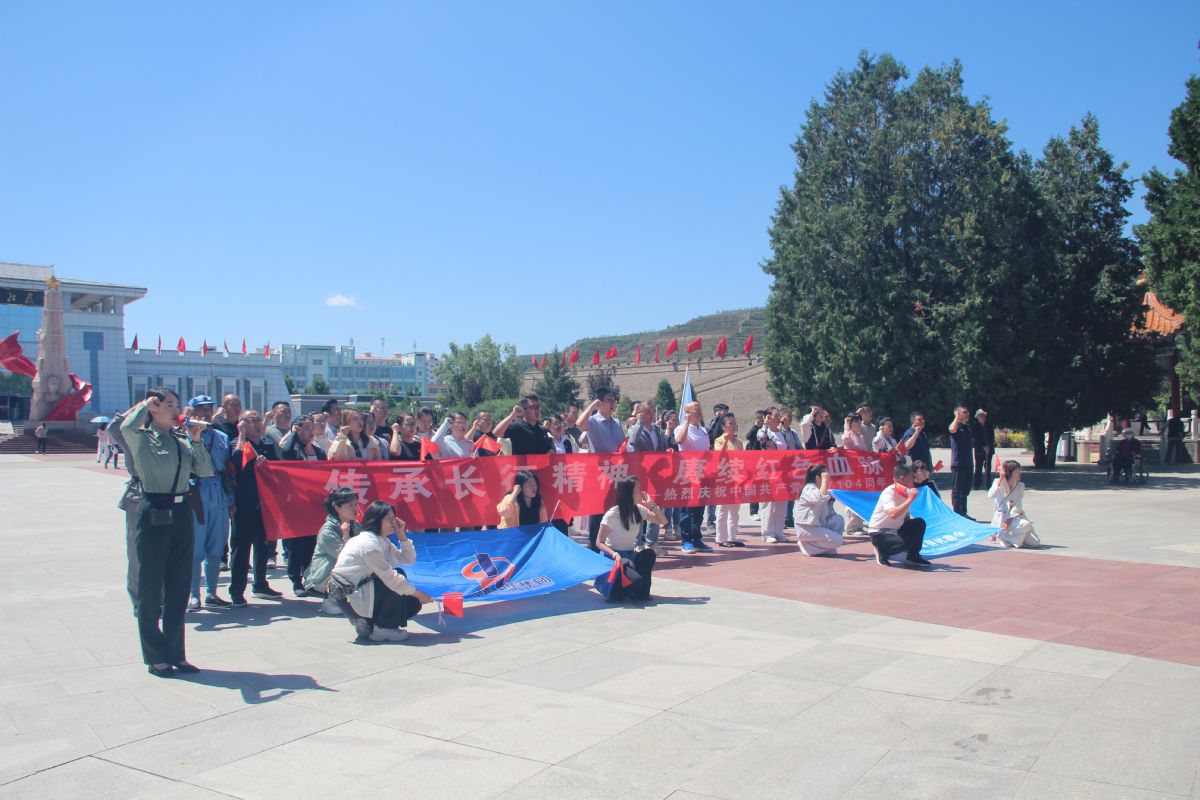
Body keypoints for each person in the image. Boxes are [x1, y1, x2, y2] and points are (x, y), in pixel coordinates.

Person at [120, 387, 214, 677]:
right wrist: (143, 405)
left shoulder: (181, 438)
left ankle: (176, 653)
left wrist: (195, 439)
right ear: (155, 407)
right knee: (151, 586)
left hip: (182, 510)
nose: (176, 410)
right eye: (169, 404)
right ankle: (155, 656)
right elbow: (125, 427)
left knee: (178, 585)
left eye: (177, 404)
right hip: (154, 509)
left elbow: (205, 470)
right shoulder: (143, 436)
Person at [328, 501, 432, 642]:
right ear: (375, 520)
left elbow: (407, 559)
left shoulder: (381, 541)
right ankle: (383, 629)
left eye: (394, 518)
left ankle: (370, 624)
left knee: (412, 603)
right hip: (349, 596)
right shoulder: (369, 544)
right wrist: (419, 594)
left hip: (361, 590)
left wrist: (401, 535)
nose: (394, 523)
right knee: (397, 579)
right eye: (389, 519)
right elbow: (391, 578)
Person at [185, 396, 234, 611]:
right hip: (197, 493)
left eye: (208, 409)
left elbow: (228, 469)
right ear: (191, 411)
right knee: (196, 549)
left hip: (219, 494)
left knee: (216, 547)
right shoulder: (184, 435)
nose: (205, 412)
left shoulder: (221, 436)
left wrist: (231, 500)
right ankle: (194, 595)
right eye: (200, 409)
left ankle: (212, 593)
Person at [229, 410, 282, 605]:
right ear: (242, 424)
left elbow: (280, 465)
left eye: (259, 419)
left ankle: (260, 584)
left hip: (265, 504)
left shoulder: (266, 444)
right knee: (242, 548)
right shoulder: (238, 442)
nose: (258, 424)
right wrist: (242, 434)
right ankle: (236, 590)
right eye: (252, 421)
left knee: (263, 546)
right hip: (244, 504)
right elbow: (236, 460)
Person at [594, 476, 664, 602]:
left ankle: (641, 594)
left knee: (649, 554)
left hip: (629, 555)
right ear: (629, 492)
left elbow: (663, 521)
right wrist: (614, 554)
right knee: (636, 581)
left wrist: (651, 504)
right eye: (638, 488)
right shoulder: (613, 514)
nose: (641, 491)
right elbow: (599, 542)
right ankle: (617, 592)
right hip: (614, 558)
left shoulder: (639, 510)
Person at [278, 415, 328, 593]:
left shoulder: (319, 452)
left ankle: (310, 579)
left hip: (315, 504)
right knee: (297, 544)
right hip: (297, 504)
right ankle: (295, 580)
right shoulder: (293, 450)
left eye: (311, 428)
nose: (310, 432)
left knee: (312, 544)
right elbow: (284, 453)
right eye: (306, 428)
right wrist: (293, 434)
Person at [576, 389, 627, 549]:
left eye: (614, 401)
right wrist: (592, 406)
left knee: (614, 510)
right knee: (598, 510)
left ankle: (610, 545)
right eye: (608, 400)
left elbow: (621, 445)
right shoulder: (593, 421)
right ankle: (594, 545)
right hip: (599, 473)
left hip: (616, 472)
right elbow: (579, 424)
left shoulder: (617, 423)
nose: (612, 404)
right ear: (600, 402)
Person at [107, 407, 144, 614]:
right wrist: (140, 406)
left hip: (165, 495)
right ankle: (139, 600)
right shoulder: (132, 435)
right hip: (138, 494)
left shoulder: (168, 434)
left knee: (163, 552)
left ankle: (161, 598)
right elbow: (114, 428)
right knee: (137, 552)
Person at [303, 488, 359, 614]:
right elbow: (345, 556)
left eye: (356, 505)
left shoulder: (355, 525)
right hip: (323, 575)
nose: (355, 509)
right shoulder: (327, 531)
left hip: (339, 573)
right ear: (337, 507)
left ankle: (347, 599)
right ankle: (331, 602)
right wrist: (345, 534)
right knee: (348, 566)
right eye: (350, 505)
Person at [867, 463, 932, 568]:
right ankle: (882, 550)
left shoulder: (906, 492)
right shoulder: (889, 492)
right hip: (879, 533)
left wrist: (914, 531)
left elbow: (906, 517)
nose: (913, 482)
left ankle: (913, 556)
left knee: (919, 523)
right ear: (902, 479)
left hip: (895, 530)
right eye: (911, 479)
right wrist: (910, 499)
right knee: (907, 542)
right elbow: (892, 514)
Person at [625, 400, 668, 552]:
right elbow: (632, 440)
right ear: (641, 413)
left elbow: (663, 448)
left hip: (656, 476)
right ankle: (637, 543)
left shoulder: (658, 430)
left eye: (653, 412)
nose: (651, 415)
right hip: (640, 475)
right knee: (639, 508)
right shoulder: (635, 428)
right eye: (648, 412)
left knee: (654, 507)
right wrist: (639, 422)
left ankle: (652, 542)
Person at [674, 401, 714, 553]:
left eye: (699, 408)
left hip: (702, 473)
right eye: (695, 409)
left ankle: (697, 539)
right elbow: (680, 440)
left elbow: (707, 450)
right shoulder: (681, 428)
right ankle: (686, 540)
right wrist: (686, 422)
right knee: (687, 509)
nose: (699, 411)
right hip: (688, 474)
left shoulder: (703, 430)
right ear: (688, 412)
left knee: (699, 509)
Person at [756, 408, 791, 544]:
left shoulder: (781, 433)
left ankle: (778, 531)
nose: (779, 418)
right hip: (768, 471)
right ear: (769, 417)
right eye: (776, 416)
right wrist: (765, 425)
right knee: (769, 503)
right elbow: (762, 440)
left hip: (782, 471)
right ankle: (767, 533)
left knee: (781, 502)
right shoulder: (763, 431)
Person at [988, 460, 1041, 548]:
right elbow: (991, 495)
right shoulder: (998, 482)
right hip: (1002, 516)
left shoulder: (1020, 485)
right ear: (1009, 473)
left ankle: (1007, 537)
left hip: (1015, 516)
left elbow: (1018, 504)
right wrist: (1000, 479)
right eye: (1016, 472)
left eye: (1020, 471)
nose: (1019, 473)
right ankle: (1007, 537)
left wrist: (1010, 518)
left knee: (1034, 542)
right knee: (1026, 524)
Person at [794, 465, 844, 556]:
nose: (829, 478)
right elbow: (820, 497)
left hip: (819, 525)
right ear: (818, 478)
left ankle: (818, 547)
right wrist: (825, 481)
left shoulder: (823, 490)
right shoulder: (809, 488)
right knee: (838, 540)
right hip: (806, 528)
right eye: (826, 476)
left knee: (839, 520)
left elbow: (829, 512)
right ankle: (808, 548)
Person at [712, 413, 745, 547]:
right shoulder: (719, 440)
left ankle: (732, 537)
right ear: (723, 427)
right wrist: (725, 440)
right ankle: (721, 538)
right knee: (723, 509)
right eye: (730, 423)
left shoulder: (738, 442)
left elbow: (743, 460)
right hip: (723, 479)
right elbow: (718, 456)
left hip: (736, 479)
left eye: (734, 423)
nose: (733, 426)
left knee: (734, 510)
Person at [948, 406, 975, 517]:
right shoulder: (956, 426)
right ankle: (957, 514)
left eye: (968, 412)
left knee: (965, 490)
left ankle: (964, 513)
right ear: (957, 414)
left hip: (968, 462)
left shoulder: (967, 427)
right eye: (964, 412)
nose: (967, 414)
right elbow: (951, 429)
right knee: (957, 491)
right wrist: (956, 417)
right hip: (958, 463)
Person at [745, 409, 767, 520]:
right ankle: (753, 511)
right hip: (755, 463)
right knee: (755, 486)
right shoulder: (755, 430)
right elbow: (748, 436)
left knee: (764, 487)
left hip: (766, 462)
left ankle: (764, 510)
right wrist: (756, 426)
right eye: (762, 419)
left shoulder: (768, 430)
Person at [971, 409, 996, 489]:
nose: (982, 417)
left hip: (989, 449)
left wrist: (988, 446)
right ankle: (977, 485)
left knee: (988, 467)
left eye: (983, 415)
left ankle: (987, 484)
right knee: (978, 467)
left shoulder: (989, 425)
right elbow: (975, 438)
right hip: (979, 449)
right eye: (980, 415)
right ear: (977, 417)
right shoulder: (975, 426)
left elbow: (992, 437)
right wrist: (983, 446)